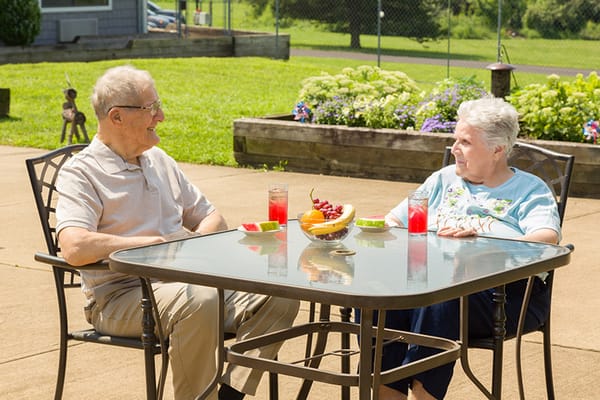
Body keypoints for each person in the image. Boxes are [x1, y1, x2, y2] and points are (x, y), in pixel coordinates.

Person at [55, 65, 300, 400]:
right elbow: (74, 246)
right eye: (151, 109)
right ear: (116, 117)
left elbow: (213, 217)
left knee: (280, 292)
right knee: (199, 299)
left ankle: (227, 394)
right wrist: (151, 247)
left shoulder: (158, 160)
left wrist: (188, 249)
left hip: (186, 285)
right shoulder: (82, 172)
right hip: (121, 296)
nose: (162, 116)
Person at [361, 96, 561, 400]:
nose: (454, 149)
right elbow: (395, 220)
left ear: (497, 149)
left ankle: (423, 394)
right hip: (431, 283)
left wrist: (484, 245)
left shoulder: (529, 189)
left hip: (503, 295)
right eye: (456, 140)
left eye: (465, 142)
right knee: (382, 298)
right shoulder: (442, 180)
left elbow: (547, 238)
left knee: (440, 299)